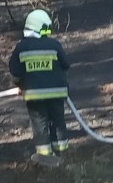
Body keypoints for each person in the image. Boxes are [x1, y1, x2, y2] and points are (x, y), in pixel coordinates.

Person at [9, 9, 71, 167]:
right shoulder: (54, 45)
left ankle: (45, 158)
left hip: (35, 96)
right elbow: (65, 65)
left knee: (40, 124)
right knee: (58, 122)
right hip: (57, 93)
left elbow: (15, 72)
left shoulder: (21, 48)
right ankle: (63, 152)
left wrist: (19, 85)